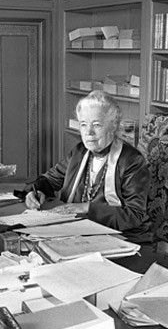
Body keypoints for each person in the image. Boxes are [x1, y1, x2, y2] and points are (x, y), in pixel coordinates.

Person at [24, 90, 151, 244]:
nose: (89, 132)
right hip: (76, 232)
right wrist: (36, 191)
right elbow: (50, 179)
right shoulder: (80, 152)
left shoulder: (132, 161)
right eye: (84, 125)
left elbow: (134, 215)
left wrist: (86, 208)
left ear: (113, 127)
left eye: (96, 125)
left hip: (121, 238)